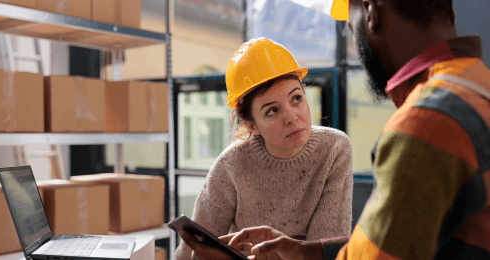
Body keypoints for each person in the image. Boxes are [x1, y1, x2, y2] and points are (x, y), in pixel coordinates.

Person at [178, 0, 490, 259]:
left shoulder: (426, 122)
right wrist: (305, 251)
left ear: (370, 12)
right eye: (272, 110)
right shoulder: (475, 84)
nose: (292, 117)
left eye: (351, 26)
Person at [175, 37, 354, 260]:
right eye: (272, 111)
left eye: (296, 98)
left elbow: (325, 254)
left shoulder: (334, 149)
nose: (292, 117)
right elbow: (190, 252)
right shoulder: (232, 164)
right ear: (251, 124)